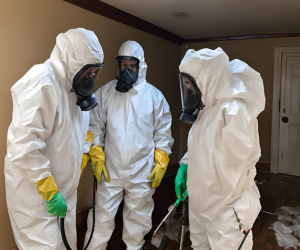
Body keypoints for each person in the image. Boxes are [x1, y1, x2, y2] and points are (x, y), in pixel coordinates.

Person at [5, 28, 105, 250]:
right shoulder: (41, 82)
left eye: (94, 73)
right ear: (73, 62)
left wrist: (91, 151)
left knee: (65, 242)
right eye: (88, 72)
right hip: (36, 194)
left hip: (64, 190)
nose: (91, 78)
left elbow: (77, 127)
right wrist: (47, 188)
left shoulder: (74, 88)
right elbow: (23, 144)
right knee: (45, 246)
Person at [84, 40, 174, 250]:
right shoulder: (106, 93)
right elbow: (93, 124)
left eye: (131, 66)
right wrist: (97, 154)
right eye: (124, 65)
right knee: (100, 217)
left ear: (140, 66)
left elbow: (163, 133)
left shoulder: (154, 97)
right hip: (110, 170)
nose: (127, 70)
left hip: (141, 171)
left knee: (138, 218)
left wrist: (161, 161)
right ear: (119, 65)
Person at [175, 48, 265, 249]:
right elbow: (202, 148)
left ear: (208, 80)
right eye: (186, 84)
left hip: (226, 212)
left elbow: (234, 166)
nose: (188, 89)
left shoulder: (235, 111)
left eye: (190, 83)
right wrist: (186, 167)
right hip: (201, 206)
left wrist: (202, 180)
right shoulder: (206, 111)